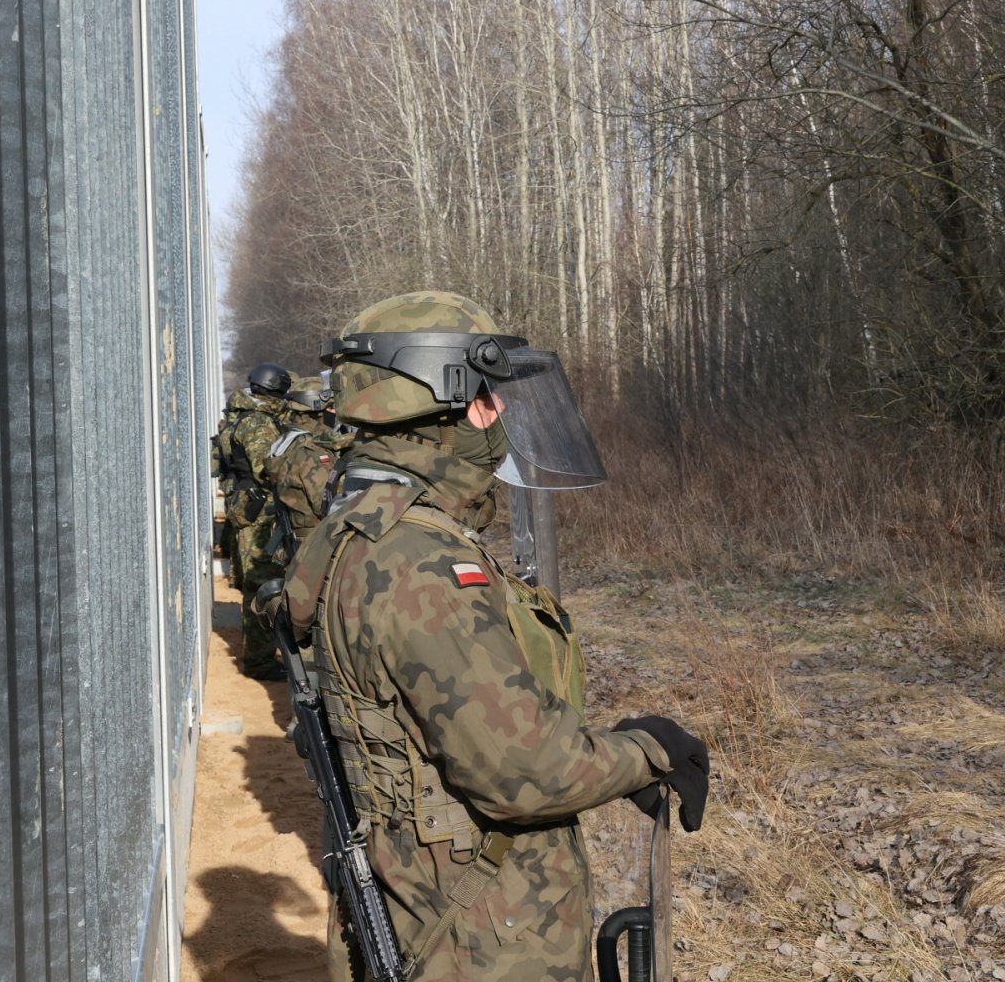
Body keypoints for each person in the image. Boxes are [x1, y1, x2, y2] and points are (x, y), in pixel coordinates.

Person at [281, 292, 709, 980]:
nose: (499, 412)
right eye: (487, 396)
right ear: (436, 404)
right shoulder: (418, 564)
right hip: (478, 940)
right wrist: (651, 751)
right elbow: (525, 774)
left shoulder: (354, 529)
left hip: (423, 907)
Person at [212, 361, 293, 678]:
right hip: (259, 513)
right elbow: (266, 468)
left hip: (248, 509)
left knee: (256, 584)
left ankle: (259, 657)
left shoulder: (241, 416)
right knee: (261, 584)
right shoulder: (258, 422)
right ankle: (259, 662)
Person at [262, 376, 355, 564]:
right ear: (316, 412)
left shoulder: (288, 441)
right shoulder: (312, 453)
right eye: (330, 408)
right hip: (315, 548)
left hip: (299, 542)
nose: (334, 413)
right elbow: (328, 505)